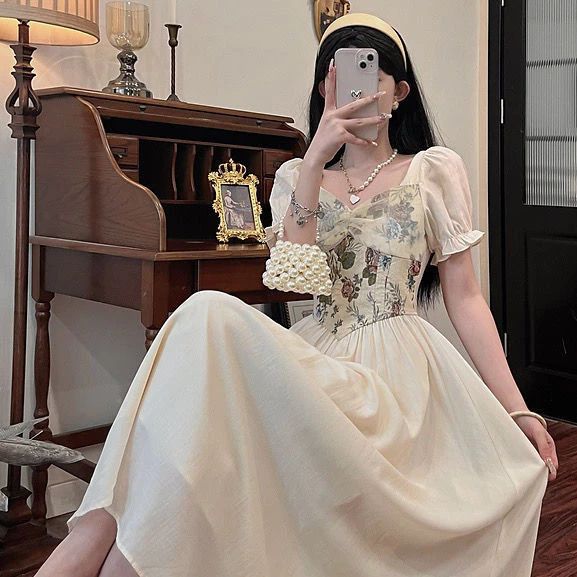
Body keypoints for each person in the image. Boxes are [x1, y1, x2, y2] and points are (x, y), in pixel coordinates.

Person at [33, 12, 559, 577]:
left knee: (204, 318)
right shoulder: (296, 176)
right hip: (318, 358)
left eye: (372, 75)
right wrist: (315, 160)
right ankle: (102, 544)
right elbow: (293, 280)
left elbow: (467, 299)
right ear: (322, 88)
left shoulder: (432, 171)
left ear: (400, 93)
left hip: (397, 376)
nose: (356, 90)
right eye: (338, 78)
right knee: (201, 333)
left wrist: (517, 408)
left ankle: (88, 550)